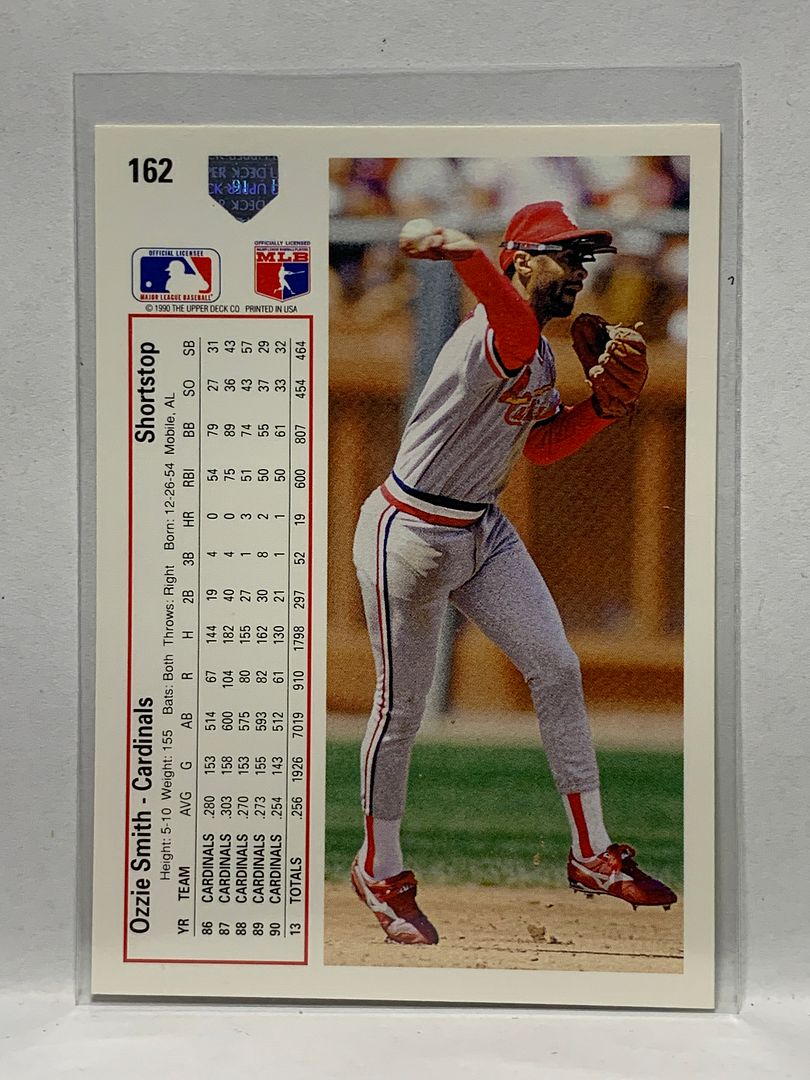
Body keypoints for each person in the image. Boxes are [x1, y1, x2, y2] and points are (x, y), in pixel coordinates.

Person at [349, 201, 677, 946]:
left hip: (481, 529)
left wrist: (601, 410)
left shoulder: (537, 354)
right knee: (400, 711)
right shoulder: (503, 333)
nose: (579, 272)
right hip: (408, 534)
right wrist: (459, 248)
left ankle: (592, 851)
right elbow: (501, 302)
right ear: (522, 261)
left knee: (556, 667)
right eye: (566, 256)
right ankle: (379, 866)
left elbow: (542, 447)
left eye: (584, 260)